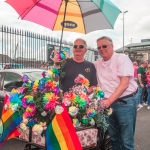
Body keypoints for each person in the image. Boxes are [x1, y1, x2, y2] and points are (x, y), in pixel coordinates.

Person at [94, 36, 138, 150]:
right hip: (109, 105)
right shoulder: (98, 63)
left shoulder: (122, 58)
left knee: (126, 141)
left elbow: (124, 84)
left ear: (112, 46)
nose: (101, 49)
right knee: (114, 138)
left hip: (125, 103)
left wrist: (109, 101)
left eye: (104, 46)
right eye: (99, 47)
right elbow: (83, 67)